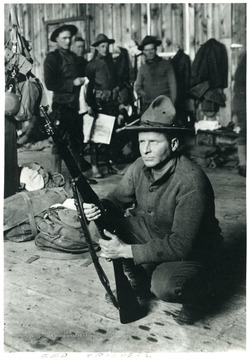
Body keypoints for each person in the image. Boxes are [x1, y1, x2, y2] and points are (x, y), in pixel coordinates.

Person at [83, 95, 223, 325]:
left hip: (193, 251)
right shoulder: (140, 165)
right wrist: (97, 208)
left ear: (174, 144)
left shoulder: (191, 182)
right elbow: (116, 200)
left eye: (154, 142)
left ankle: (200, 296)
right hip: (154, 232)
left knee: (165, 285)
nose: (145, 150)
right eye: (141, 142)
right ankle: (138, 281)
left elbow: (180, 245)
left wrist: (126, 251)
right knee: (99, 227)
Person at [44, 24, 96, 183]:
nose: (67, 41)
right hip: (61, 106)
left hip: (76, 107)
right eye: (64, 38)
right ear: (57, 40)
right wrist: (71, 82)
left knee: (76, 142)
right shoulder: (52, 58)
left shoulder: (76, 58)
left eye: (69, 38)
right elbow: (50, 83)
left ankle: (77, 177)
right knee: (58, 142)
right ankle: (55, 179)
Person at [85, 33, 121, 178]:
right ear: (97, 48)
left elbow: (117, 81)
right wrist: (90, 104)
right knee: (96, 135)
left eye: (107, 46)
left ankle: (110, 165)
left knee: (111, 134)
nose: (105, 49)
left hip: (111, 102)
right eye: (102, 46)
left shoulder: (112, 63)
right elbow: (88, 86)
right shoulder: (91, 65)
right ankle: (94, 167)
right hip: (98, 102)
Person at [135, 36, 177, 112]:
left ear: (155, 49)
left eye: (152, 49)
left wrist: (171, 106)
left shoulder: (166, 65)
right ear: (143, 52)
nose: (150, 52)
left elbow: (173, 87)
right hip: (148, 106)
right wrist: (146, 94)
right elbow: (137, 87)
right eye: (147, 50)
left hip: (164, 105)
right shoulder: (142, 68)